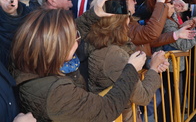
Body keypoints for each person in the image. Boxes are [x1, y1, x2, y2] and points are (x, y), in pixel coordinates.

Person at [11, 8, 147, 122]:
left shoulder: (26, 61)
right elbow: (107, 108)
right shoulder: (58, 93)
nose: (78, 39)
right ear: (59, 47)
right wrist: (132, 70)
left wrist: (94, 13)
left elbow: (58, 34)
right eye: (74, 37)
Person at [86, 0, 169, 122]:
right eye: (128, 16)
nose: (130, 20)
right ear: (120, 21)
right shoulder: (113, 54)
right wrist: (153, 69)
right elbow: (143, 96)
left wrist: (150, 62)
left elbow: (128, 55)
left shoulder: (102, 42)